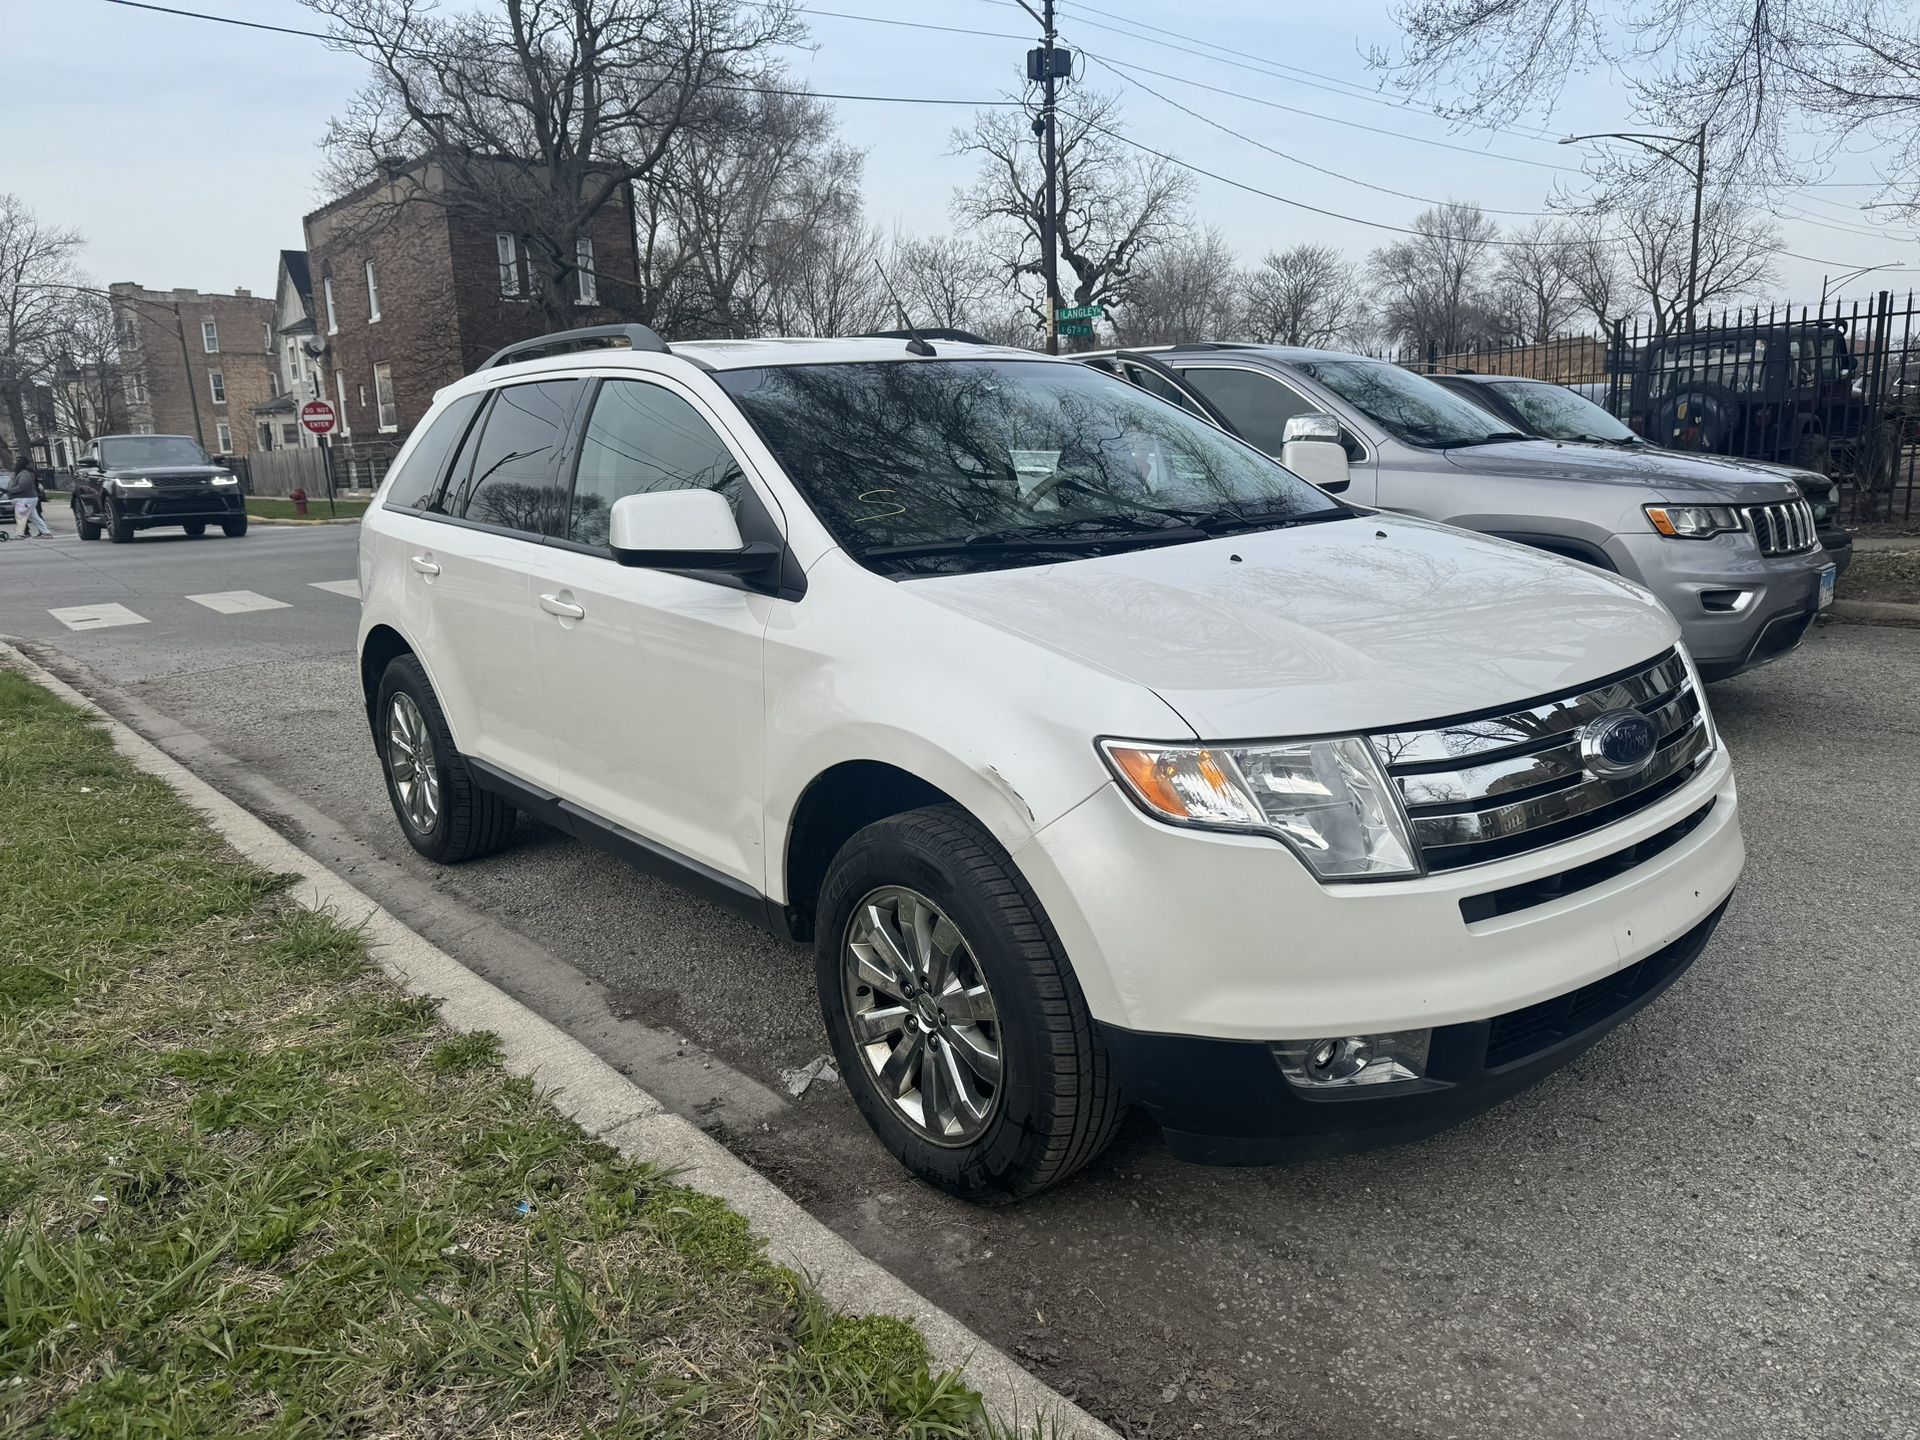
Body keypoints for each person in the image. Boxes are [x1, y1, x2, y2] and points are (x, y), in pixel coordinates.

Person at [9, 456, 50, 537]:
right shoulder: (17, 474)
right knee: (34, 517)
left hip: (25, 499)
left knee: (21, 516)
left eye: (15, 463)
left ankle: (20, 534)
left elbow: (23, 486)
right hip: (27, 499)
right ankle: (46, 533)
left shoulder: (24, 474)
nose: (13, 465)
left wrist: (11, 490)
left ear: (20, 464)